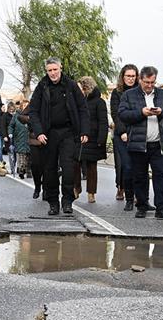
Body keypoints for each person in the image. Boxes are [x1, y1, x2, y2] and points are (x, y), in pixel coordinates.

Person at [27, 57, 91, 216]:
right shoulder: (42, 86)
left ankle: (67, 201)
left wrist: (84, 131)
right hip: (48, 134)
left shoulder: (71, 85)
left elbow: (83, 109)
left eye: (55, 69)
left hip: (68, 132)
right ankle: (53, 203)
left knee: (69, 169)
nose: (53, 73)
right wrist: (39, 132)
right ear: (46, 71)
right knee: (50, 170)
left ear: (60, 68)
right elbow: (33, 111)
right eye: (49, 70)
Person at [117, 66, 163, 218]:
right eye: (146, 82)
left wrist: (161, 113)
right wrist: (141, 113)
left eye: (152, 82)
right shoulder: (129, 95)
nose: (149, 85)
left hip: (159, 143)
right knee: (140, 176)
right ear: (140, 79)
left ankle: (161, 208)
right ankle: (141, 206)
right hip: (138, 143)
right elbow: (122, 115)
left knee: (160, 175)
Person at [74, 77, 108, 204]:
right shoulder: (77, 101)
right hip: (78, 137)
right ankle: (76, 188)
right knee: (75, 163)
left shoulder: (99, 102)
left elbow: (103, 122)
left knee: (92, 167)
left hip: (93, 138)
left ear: (86, 88)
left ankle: (91, 193)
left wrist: (101, 139)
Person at [109, 65, 138, 209]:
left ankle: (140, 196)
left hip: (138, 133)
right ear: (123, 77)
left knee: (139, 166)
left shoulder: (139, 92)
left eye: (133, 76)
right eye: (128, 76)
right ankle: (128, 196)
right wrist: (122, 132)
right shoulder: (117, 93)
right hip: (122, 134)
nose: (131, 79)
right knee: (126, 166)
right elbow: (116, 114)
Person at [10, 96, 31, 179]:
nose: (26, 107)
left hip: (29, 138)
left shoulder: (32, 115)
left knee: (29, 156)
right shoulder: (16, 115)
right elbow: (11, 125)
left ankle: (29, 171)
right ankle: (21, 170)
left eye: (27, 105)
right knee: (21, 155)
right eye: (24, 105)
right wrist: (10, 133)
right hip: (19, 138)